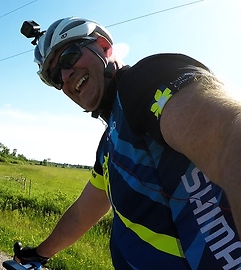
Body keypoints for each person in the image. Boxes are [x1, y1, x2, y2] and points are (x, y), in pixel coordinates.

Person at [15, 17, 241, 269]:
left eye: (69, 57)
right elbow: (82, 214)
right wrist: (38, 254)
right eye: (56, 76)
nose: (66, 76)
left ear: (103, 46)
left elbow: (230, 135)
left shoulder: (144, 82)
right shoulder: (109, 142)